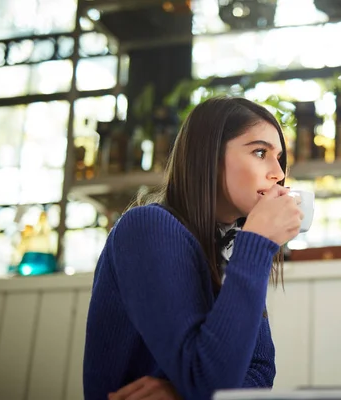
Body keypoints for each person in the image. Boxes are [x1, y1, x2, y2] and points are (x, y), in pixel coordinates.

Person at [83, 96, 304, 400]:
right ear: (209, 157)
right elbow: (212, 383)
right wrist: (258, 243)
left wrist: (180, 394)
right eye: (260, 152)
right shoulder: (148, 226)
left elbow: (261, 370)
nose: (278, 174)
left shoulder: (229, 246)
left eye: (278, 159)